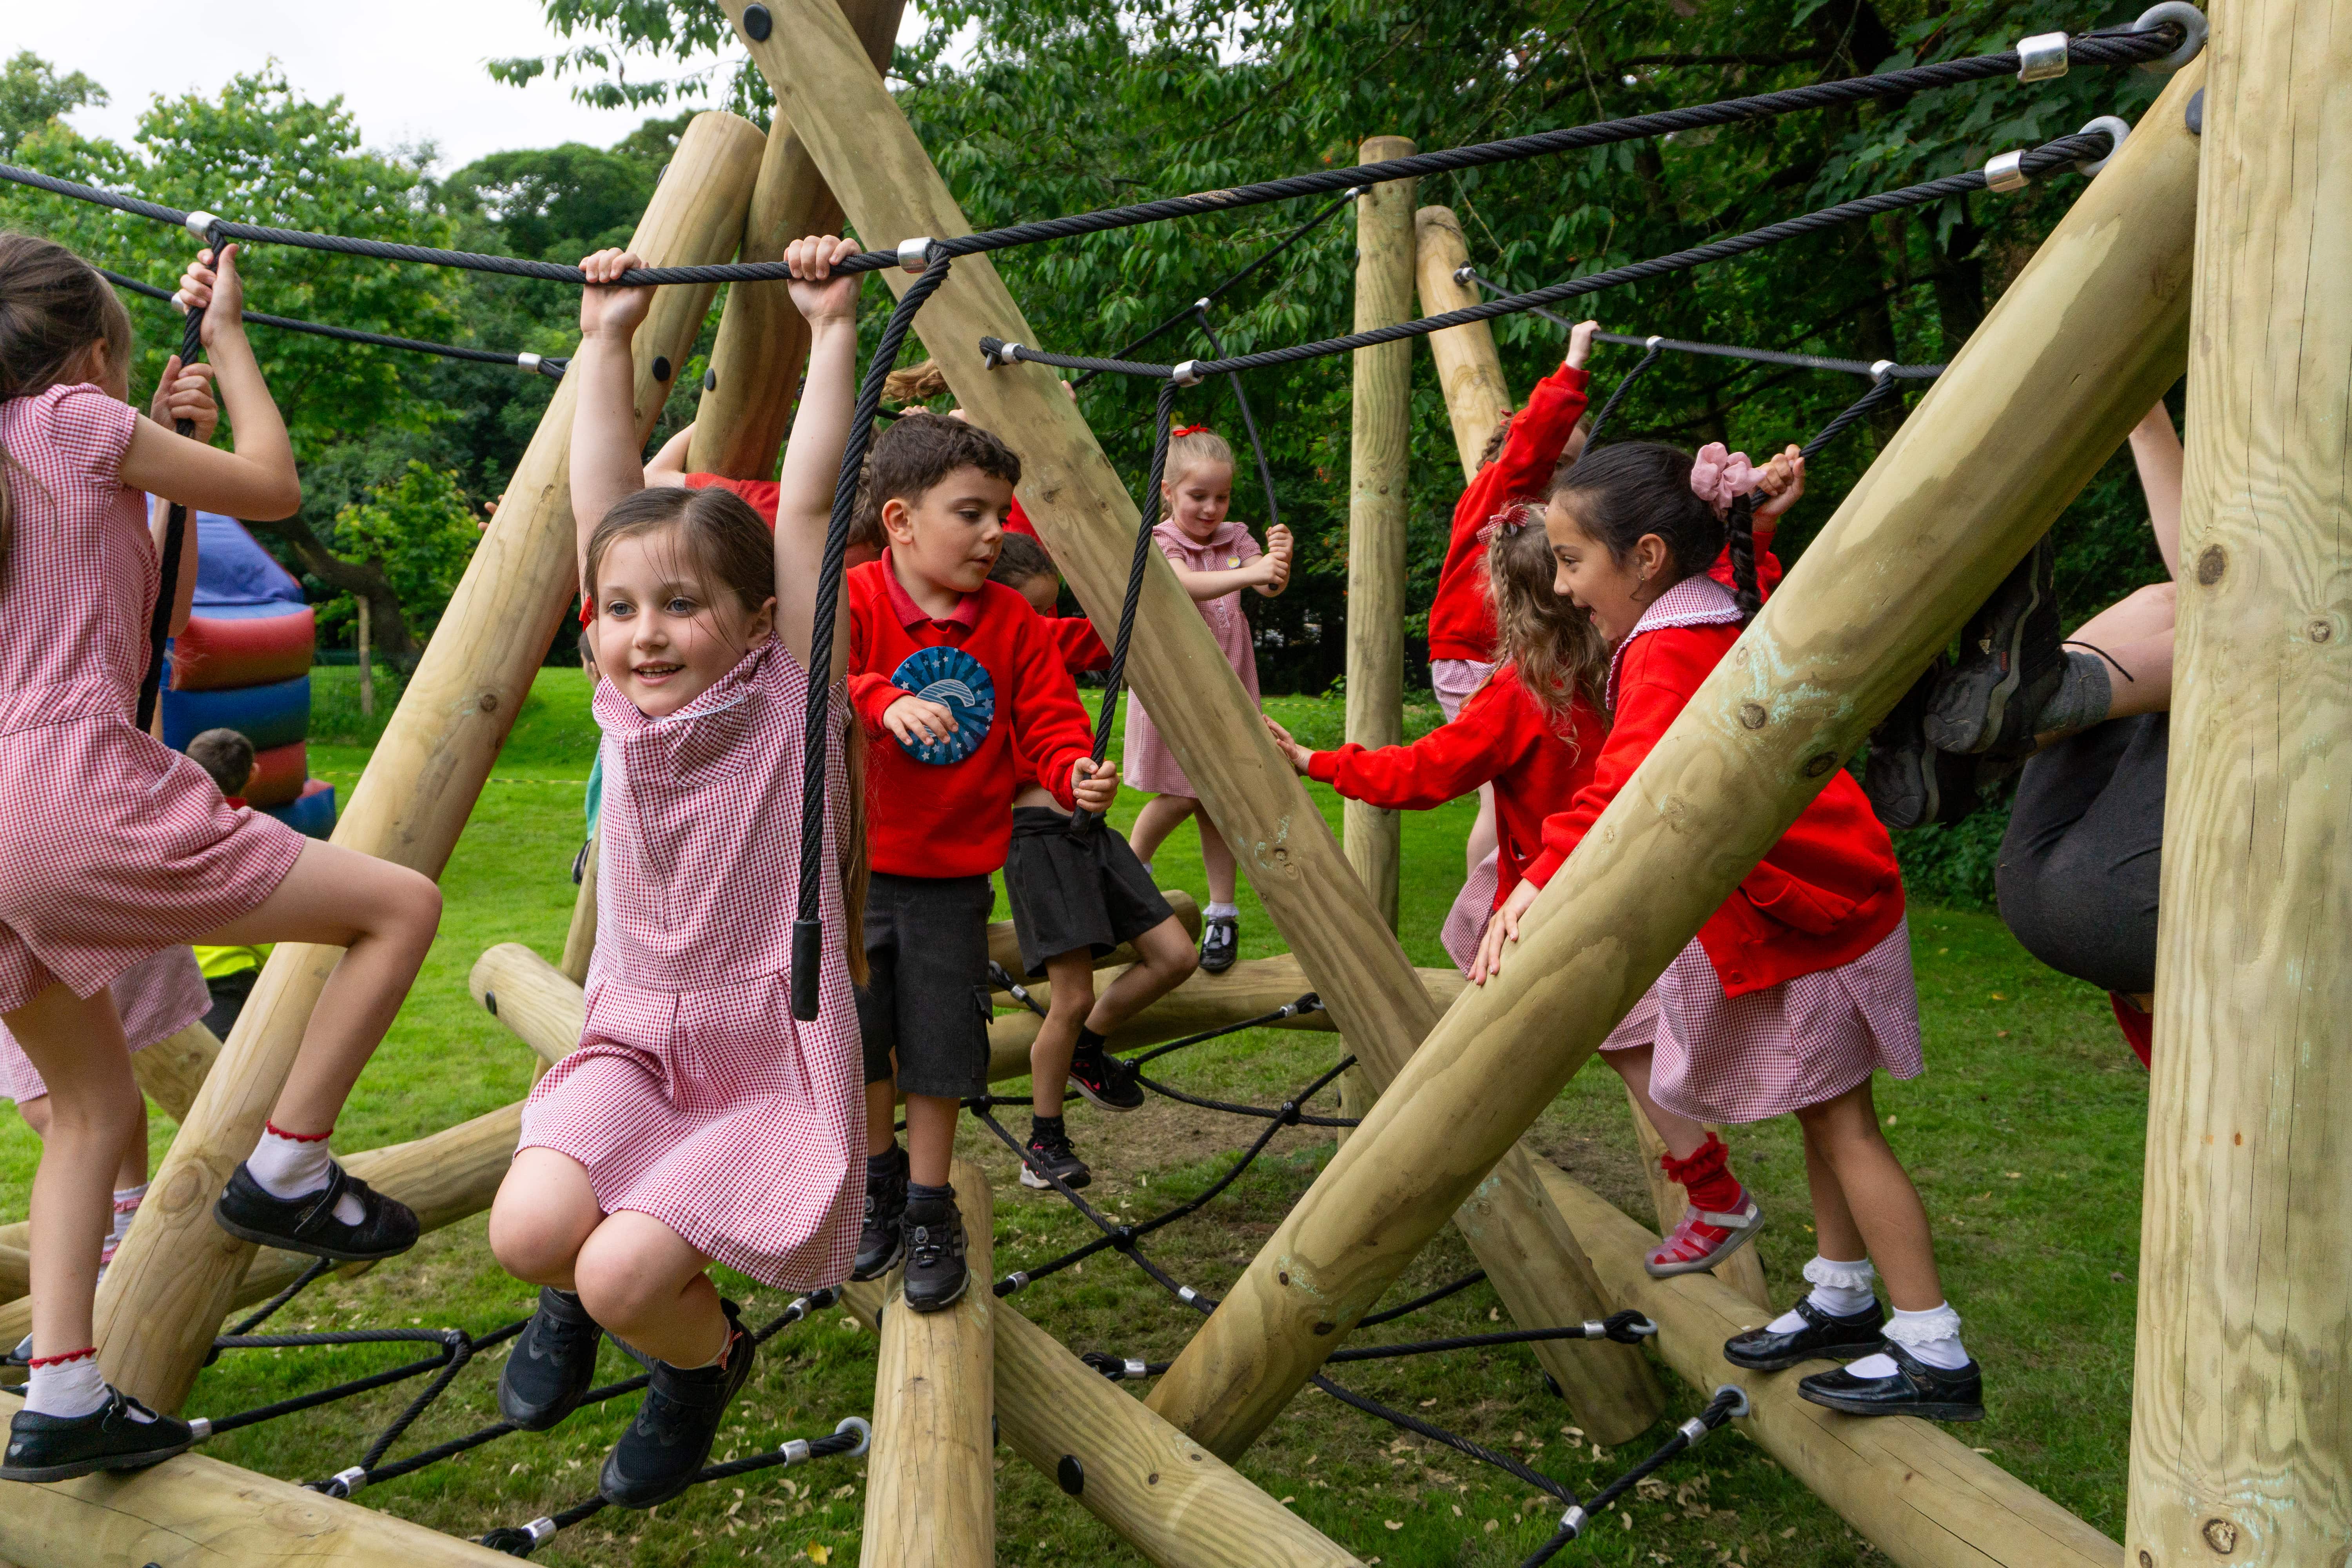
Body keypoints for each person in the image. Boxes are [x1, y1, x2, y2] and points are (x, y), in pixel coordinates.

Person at [0, 236, 442, 1483]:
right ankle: (288, 1163)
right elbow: (271, 482)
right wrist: (234, 339)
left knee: (89, 1112)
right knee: (396, 906)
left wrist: (150, 448)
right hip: (65, 786)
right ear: (87, 353)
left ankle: (65, 1393)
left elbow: (140, 603)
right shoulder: (72, 422)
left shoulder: (37, 447)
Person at [1476, 440, 1984, 1423]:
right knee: (1821, 1109)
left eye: (1575, 560)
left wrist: (1533, 882)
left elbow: (1624, 777)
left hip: (1823, 911)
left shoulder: (1669, 645)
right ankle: (1842, 1295)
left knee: (1846, 1125)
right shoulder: (1702, 609)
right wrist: (1755, 531)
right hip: (1819, 900)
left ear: (1649, 557)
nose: (1567, 584)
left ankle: (1932, 1345)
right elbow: (1750, 590)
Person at [485, 236, 870, 1509]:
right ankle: (589, 1304)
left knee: (620, 1275)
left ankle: (702, 1361)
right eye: (623, 612)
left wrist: (829, 328)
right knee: (531, 1234)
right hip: (636, 1036)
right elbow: (606, 516)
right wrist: (604, 342)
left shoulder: (793, 702)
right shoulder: (622, 706)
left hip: (762, 1058)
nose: (647, 634)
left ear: (760, 623)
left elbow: (808, 507)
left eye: (684, 607)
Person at [1266, 505, 1762, 1277]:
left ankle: (1709, 1186)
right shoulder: (1624, 657)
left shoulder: (1519, 694)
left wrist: (1314, 760)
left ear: (1513, 603)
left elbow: (1423, 773)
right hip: (1615, 882)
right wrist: (1750, 523)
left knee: (1607, 1040)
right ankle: (1692, 1182)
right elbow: (1721, 588)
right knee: (1568, 1017)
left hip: (1561, 900)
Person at [843, 407, 1116, 1308]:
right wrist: (880, 699)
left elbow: (1048, 719)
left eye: (1002, 513)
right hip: (853, 875)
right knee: (860, 1041)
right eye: (973, 512)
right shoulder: (853, 602)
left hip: (951, 879)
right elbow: (814, 679)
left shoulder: (1012, 623)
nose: (997, 533)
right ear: (901, 520)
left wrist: (1073, 768)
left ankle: (929, 1205)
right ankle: (877, 1186)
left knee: (939, 1048)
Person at [1865, 403, 2181, 1062]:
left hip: (2072, 898)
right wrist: (2144, 417)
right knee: (2178, 606)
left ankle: (2013, 728)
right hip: (2118, 914)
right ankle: (2011, 722)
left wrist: (2146, 422)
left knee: (2244, 634)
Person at [983, 534, 1198, 1190]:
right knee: (1070, 997)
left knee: (1175, 955)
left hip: (1089, 827)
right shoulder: (983, 659)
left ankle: (1086, 1047)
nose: (1043, 626)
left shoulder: (1047, 639)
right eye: (1034, 611)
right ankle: (1043, 1145)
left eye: (1050, 611)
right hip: (1039, 836)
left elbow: (1114, 631)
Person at [1426, 321, 1599, 898]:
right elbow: (1531, 446)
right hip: (1472, 661)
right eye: (1555, 458)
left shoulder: (1563, 523)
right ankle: (1490, 905)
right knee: (1496, 794)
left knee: (1533, 789)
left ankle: (1527, 889)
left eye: (1573, 464)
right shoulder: (1497, 495)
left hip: (1519, 660)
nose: (1559, 473)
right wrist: (1573, 367)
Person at [1120, 426, 1293, 973]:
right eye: (1199, 497)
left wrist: (1277, 561)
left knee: (1218, 801)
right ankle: (1129, 877)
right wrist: (1252, 570)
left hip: (1227, 681)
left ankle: (1223, 912)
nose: (1211, 508)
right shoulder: (1161, 540)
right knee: (1179, 795)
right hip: (1179, 683)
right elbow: (1180, 585)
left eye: (1221, 497)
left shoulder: (1236, 537)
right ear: (1169, 491)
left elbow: (1268, 585)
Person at [183, 728, 270, 1036]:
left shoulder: (166, 828)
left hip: (173, 976)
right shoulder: (257, 838)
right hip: (233, 976)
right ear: (254, 774)